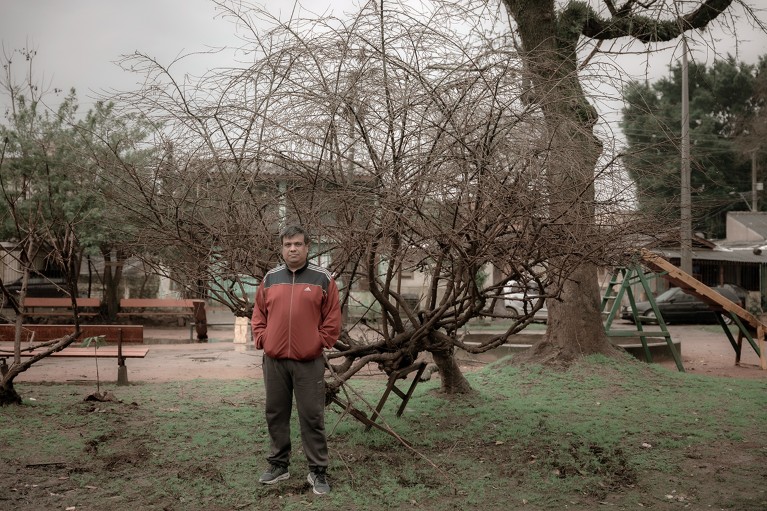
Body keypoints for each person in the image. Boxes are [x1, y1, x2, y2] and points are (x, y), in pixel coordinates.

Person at [251, 225, 342, 495]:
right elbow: (258, 314)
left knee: (311, 416)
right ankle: (279, 464)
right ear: (282, 248)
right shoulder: (270, 278)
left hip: (308, 362)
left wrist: (319, 342)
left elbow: (332, 319)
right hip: (275, 361)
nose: (293, 248)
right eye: (288, 244)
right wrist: (263, 340)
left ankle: (318, 471)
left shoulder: (322, 278)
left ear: (307, 247)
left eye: (298, 244)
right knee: (276, 413)